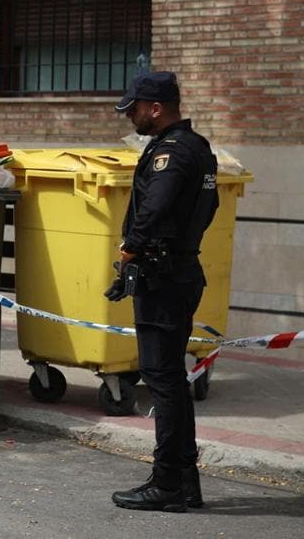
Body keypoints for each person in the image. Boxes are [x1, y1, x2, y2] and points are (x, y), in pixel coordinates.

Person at [106, 71, 219, 512]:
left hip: (163, 276)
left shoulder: (170, 153)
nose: (131, 116)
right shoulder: (199, 147)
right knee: (170, 377)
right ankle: (185, 481)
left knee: (162, 381)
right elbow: (210, 208)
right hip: (181, 270)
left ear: (156, 108)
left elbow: (156, 206)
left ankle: (167, 483)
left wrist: (131, 248)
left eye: (134, 109)